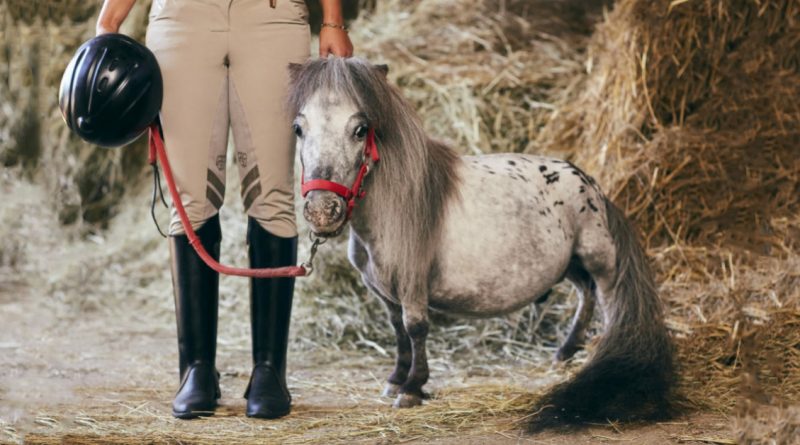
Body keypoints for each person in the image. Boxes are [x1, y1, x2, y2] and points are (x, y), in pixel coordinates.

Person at [95, 0, 353, 419]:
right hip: (182, 21)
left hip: (273, 19)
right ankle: (196, 370)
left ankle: (269, 371)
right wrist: (110, 20)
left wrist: (332, 19)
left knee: (272, 197)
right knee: (191, 201)